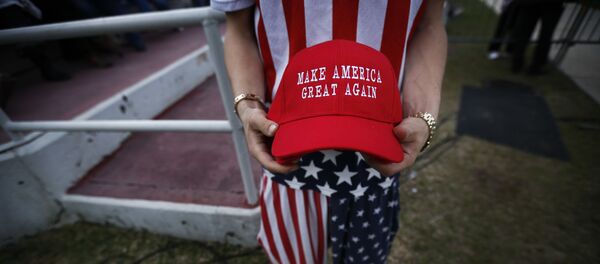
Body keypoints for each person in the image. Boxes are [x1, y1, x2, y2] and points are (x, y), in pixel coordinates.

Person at [213, 0, 446, 262]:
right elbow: (238, 28)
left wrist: (424, 115)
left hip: (379, 143)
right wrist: (247, 105)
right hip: (287, 140)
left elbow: (429, 22)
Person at [510, 0, 565, 74]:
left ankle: (517, 62)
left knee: (524, 32)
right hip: (551, 5)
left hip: (532, 3)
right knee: (545, 34)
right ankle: (535, 65)